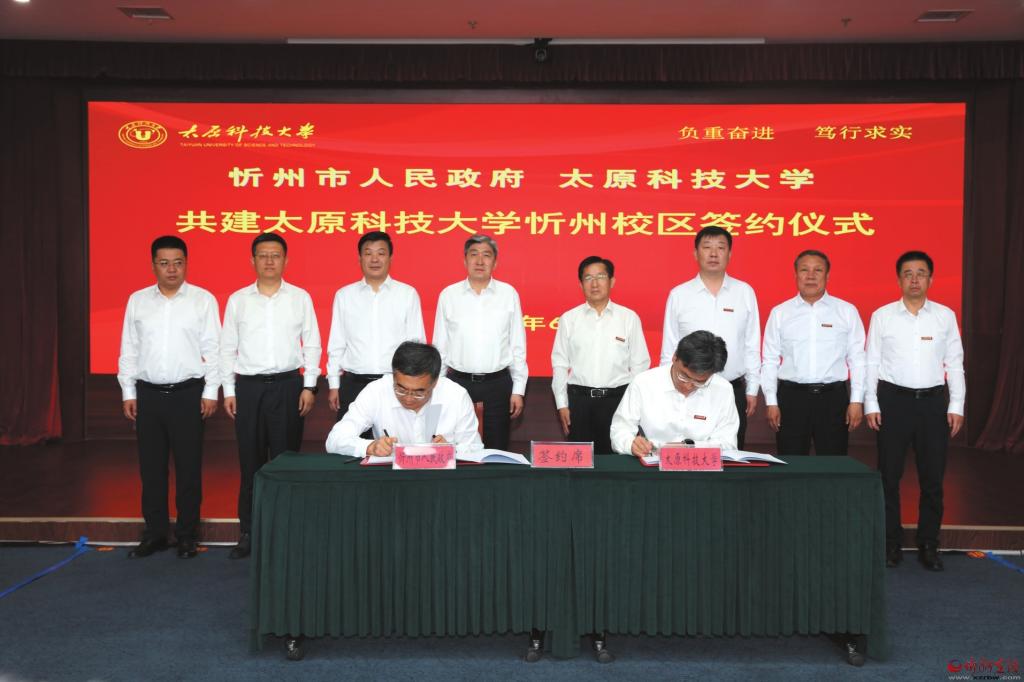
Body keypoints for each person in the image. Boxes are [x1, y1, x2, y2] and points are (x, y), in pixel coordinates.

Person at [117, 235, 220, 559]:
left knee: (189, 470)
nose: (171, 269)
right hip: (148, 395)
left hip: (188, 394)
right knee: (151, 470)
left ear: (186, 264)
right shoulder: (138, 301)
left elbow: (213, 350)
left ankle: (187, 535)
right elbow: (129, 349)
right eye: (164, 263)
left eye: (178, 263)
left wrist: (211, 391)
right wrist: (128, 391)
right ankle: (155, 534)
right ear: (153, 266)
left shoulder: (202, 300)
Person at [221, 233, 321, 559]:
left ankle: (287, 532)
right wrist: (229, 390)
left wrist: (309, 386)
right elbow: (226, 348)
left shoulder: (300, 298)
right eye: (262, 255)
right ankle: (249, 532)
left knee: (286, 462)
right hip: (248, 389)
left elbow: (312, 344)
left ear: (285, 260)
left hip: (288, 387)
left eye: (275, 255)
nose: (269, 261)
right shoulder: (238, 300)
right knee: (250, 464)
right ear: (252, 260)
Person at [865, 251, 964, 572]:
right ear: (899, 279)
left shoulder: (945, 316)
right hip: (893, 402)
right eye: (908, 273)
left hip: (933, 404)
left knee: (932, 479)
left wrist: (957, 404)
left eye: (921, 273)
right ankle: (890, 543)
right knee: (888, 477)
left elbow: (955, 363)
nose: (914, 279)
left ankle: (929, 544)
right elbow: (871, 362)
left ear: (931, 279)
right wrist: (871, 402)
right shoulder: (882, 316)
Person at [659, 226, 760, 449]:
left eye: (720, 248)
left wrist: (752, 388)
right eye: (707, 247)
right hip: (688, 389)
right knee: (685, 451)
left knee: (729, 453)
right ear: (696, 253)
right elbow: (669, 348)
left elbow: (752, 344)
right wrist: (668, 389)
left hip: (732, 388)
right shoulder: (679, 294)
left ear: (729, 254)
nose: (714, 254)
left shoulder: (744, 292)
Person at [761, 250, 866, 455]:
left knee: (833, 464)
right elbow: (770, 360)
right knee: (791, 463)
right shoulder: (780, 313)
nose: (810, 276)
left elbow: (857, 359)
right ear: (795, 275)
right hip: (791, 399)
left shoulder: (846, 311)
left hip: (833, 399)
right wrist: (771, 402)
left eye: (818, 270)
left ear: (827, 276)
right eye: (804, 270)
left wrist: (856, 400)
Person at [433, 235, 527, 450]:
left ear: (495, 262)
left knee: (496, 448)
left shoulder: (508, 294)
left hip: (498, 385)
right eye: (474, 255)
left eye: (486, 255)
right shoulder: (448, 295)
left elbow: (517, 346)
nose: (480, 261)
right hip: (458, 383)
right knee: (454, 448)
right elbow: (440, 346)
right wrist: (438, 387)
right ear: (465, 260)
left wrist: (518, 389)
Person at [326, 232, 425, 433]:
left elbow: (416, 344)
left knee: (394, 444)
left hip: (394, 386)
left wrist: (413, 387)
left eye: (381, 253)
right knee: (351, 443)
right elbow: (337, 343)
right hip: (354, 384)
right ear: (359, 258)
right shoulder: (345, 295)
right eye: (368, 253)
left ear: (390, 258)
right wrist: (334, 384)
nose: (374, 259)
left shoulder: (407, 294)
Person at [551, 256, 649, 454]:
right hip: (579, 402)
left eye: (601, 276)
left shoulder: (628, 318)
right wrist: (562, 404)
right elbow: (560, 364)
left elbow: (640, 365)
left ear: (612, 281)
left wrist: (632, 405)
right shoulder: (569, 319)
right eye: (588, 278)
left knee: (616, 460)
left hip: (617, 401)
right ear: (581, 284)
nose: (594, 283)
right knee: (581, 461)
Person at [325, 341, 482, 457]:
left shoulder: (456, 396)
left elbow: (475, 449)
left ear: (435, 383)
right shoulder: (376, 391)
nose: (408, 399)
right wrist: (370, 447)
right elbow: (334, 440)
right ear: (393, 376)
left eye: (419, 392)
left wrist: (452, 450)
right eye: (400, 389)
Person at [612, 330, 739, 456]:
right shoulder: (643, 383)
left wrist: (689, 447)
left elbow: (727, 443)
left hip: (701, 464)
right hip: (652, 461)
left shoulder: (723, 390)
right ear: (675, 357)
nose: (688, 386)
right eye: (684, 376)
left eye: (699, 382)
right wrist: (631, 444)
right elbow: (620, 429)